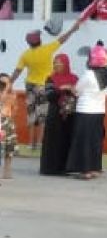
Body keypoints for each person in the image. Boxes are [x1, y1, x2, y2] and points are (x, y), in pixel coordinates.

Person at [11, 20, 82, 149]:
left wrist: (9, 83)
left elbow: (18, 71)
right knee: (43, 115)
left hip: (30, 86)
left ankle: (30, 144)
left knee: (32, 115)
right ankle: (39, 143)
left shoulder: (25, 55)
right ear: (40, 41)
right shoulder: (47, 49)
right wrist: (72, 29)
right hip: (43, 86)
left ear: (28, 43)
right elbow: (62, 39)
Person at [64, 42, 107, 180]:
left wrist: (68, 87)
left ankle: (85, 171)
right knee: (95, 140)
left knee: (83, 141)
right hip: (99, 111)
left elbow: (77, 91)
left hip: (85, 111)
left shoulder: (89, 74)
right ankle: (95, 167)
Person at [39, 54, 78, 176]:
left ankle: (64, 168)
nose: (56, 65)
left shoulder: (74, 78)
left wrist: (73, 90)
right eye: (55, 63)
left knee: (66, 140)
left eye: (59, 63)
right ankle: (49, 168)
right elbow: (49, 96)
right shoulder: (50, 78)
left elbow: (79, 93)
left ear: (66, 64)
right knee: (53, 141)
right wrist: (61, 88)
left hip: (70, 115)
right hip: (55, 114)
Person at [0, 73, 15, 181]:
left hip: (7, 122)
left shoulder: (11, 94)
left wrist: (6, 89)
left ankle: (7, 170)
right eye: (2, 82)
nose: (4, 84)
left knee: (9, 148)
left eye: (6, 82)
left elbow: (8, 102)